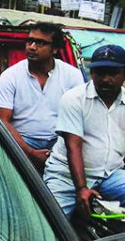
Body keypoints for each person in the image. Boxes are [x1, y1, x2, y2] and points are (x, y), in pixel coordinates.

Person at [43, 45, 125, 218]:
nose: (106, 79)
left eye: (113, 73)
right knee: (49, 226)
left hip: (110, 175)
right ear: (91, 73)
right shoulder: (74, 99)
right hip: (65, 178)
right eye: (100, 73)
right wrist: (81, 188)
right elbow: (73, 146)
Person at [0, 23, 84, 172]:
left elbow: (79, 118)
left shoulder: (72, 74)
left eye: (40, 43)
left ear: (54, 49)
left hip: (60, 141)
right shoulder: (10, 75)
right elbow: (2, 120)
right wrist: (30, 152)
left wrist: (61, 150)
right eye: (30, 41)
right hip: (22, 140)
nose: (32, 47)